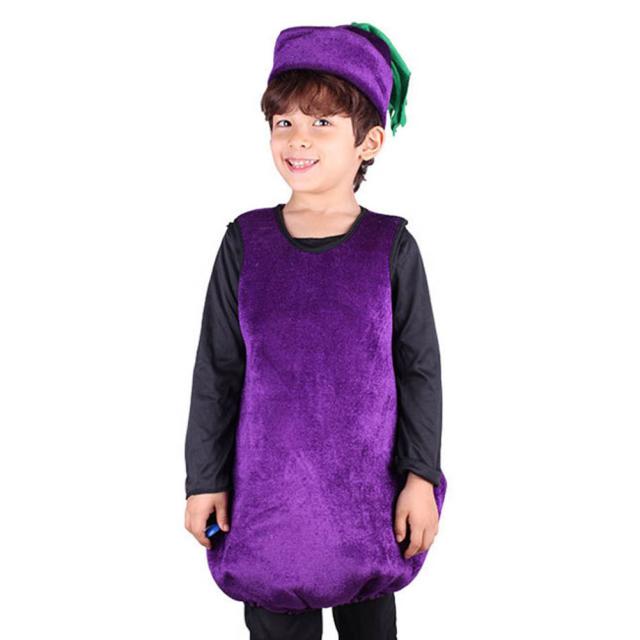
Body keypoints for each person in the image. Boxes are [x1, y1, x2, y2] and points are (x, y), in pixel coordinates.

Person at [184, 22, 448, 640]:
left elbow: (419, 371)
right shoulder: (245, 241)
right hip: (268, 501)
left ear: (370, 140)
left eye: (322, 122)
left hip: (369, 501)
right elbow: (218, 370)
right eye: (284, 122)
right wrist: (205, 480)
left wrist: (420, 476)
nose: (297, 138)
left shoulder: (391, 247)